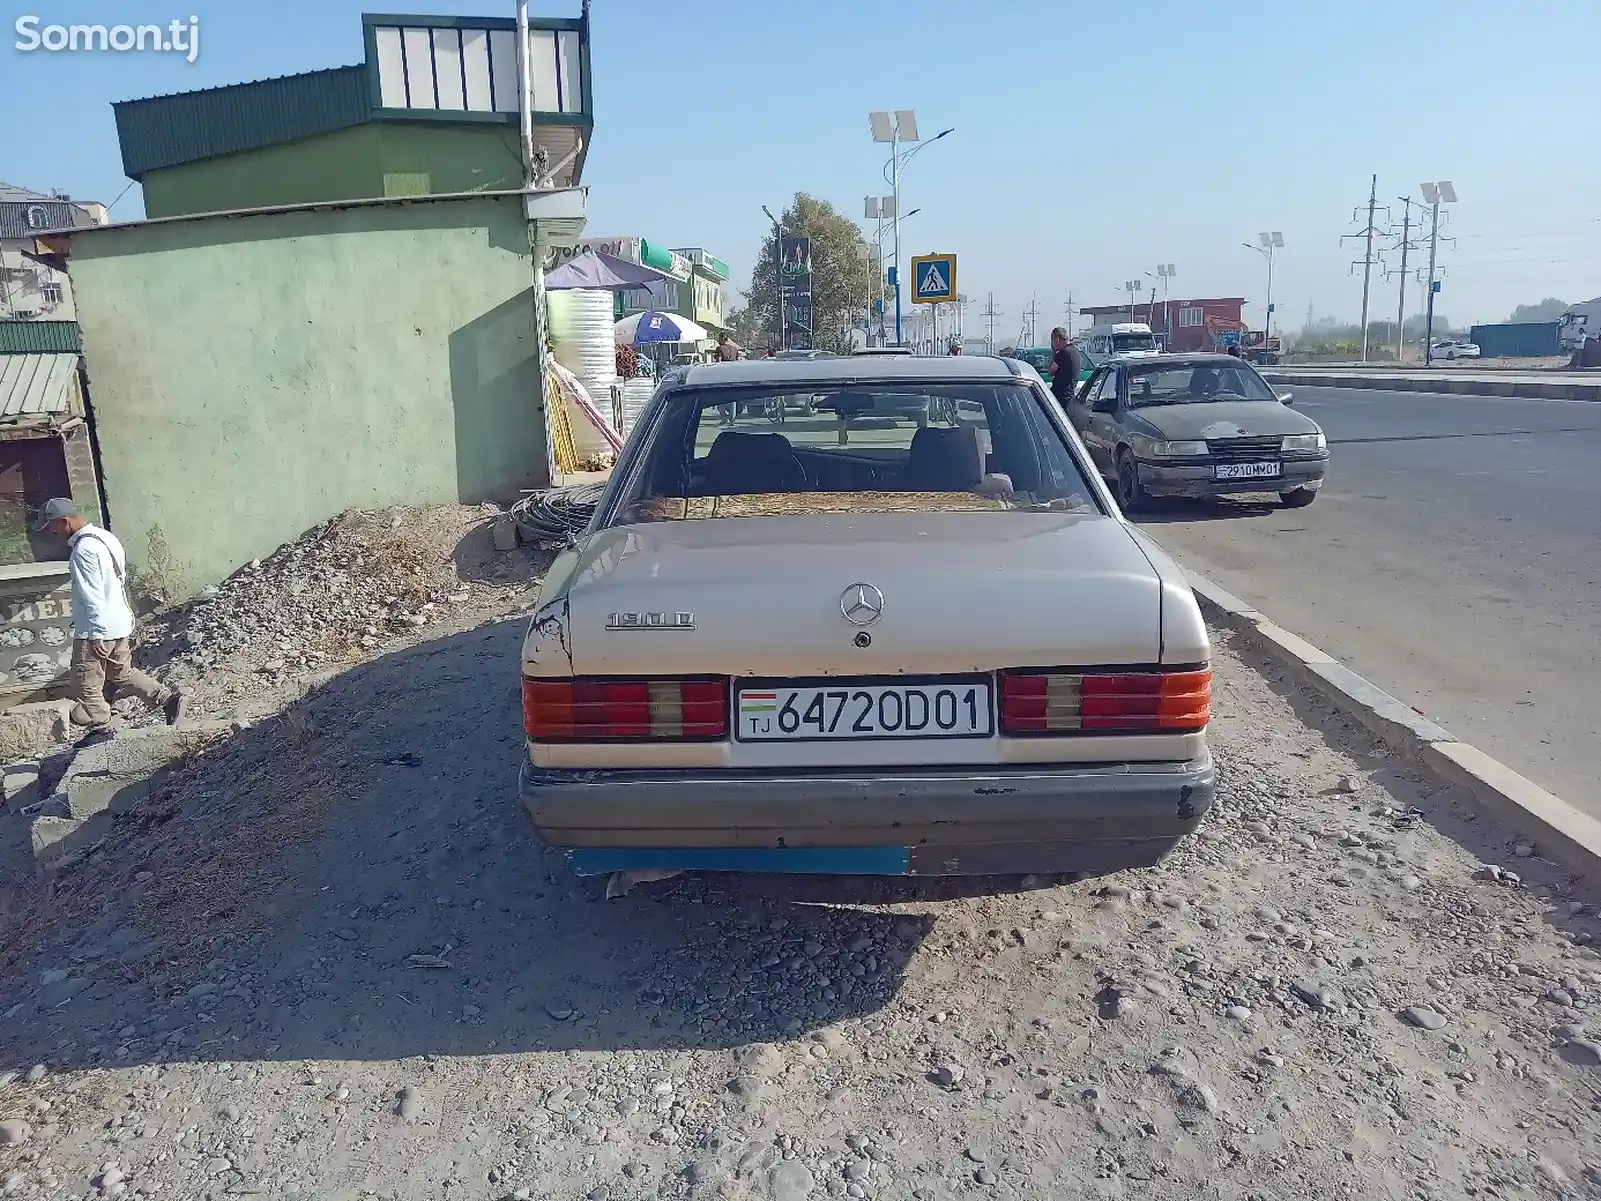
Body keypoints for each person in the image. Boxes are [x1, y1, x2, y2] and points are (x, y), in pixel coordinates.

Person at [31, 498, 185, 741]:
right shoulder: (105, 538)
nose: (51, 531)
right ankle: (166, 699)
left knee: (84, 680)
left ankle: (103, 728)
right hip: (119, 621)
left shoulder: (83, 550)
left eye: (52, 526)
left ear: (64, 521)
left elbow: (91, 594)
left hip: (97, 627)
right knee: (120, 671)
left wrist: (96, 634)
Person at [1047, 327, 1084, 406]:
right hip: (1070, 395)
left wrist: (1054, 352)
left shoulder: (1062, 353)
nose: (1052, 343)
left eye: (1052, 340)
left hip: (1060, 396)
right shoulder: (1076, 352)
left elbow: (1050, 372)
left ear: (1057, 339)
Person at [714, 333, 742, 425]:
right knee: (732, 399)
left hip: (723, 376)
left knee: (721, 398)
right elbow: (737, 362)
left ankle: (724, 416)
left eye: (718, 338)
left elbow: (718, 362)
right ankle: (732, 419)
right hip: (733, 375)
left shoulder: (720, 348)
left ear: (722, 339)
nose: (718, 340)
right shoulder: (734, 349)